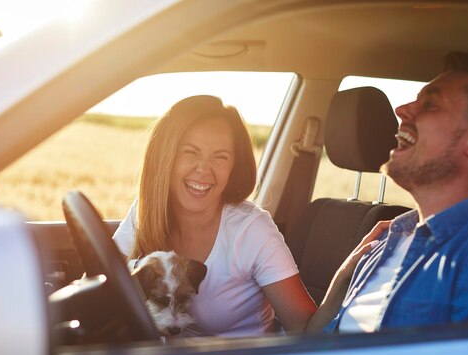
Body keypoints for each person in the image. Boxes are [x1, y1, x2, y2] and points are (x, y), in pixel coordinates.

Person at [307, 50, 468, 334]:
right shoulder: (388, 239)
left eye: (430, 104)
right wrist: (342, 281)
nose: (402, 109)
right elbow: (321, 352)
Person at [115, 95, 317, 337]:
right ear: (165, 157)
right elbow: (103, 282)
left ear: (234, 166)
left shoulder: (251, 230)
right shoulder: (146, 211)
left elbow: (306, 328)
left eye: (220, 157)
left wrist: (342, 281)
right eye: (190, 152)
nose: (203, 169)